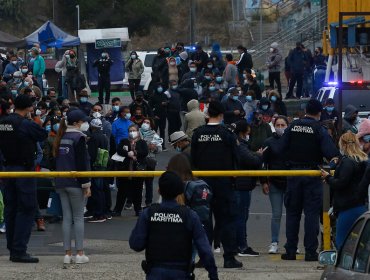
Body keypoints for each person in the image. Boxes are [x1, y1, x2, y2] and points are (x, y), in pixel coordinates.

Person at [277, 99, 339, 261]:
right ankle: (310, 252)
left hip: (294, 174)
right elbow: (331, 153)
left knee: (292, 214)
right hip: (312, 174)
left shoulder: (292, 126)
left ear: (305, 110)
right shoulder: (319, 129)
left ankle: (290, 250)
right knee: (311, 214)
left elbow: (280, 148)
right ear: (319, 113)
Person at [129, 171, 219, 280]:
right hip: (181, 273)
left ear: (159, 191)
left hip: (155, 273)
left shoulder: (148, 213)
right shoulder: (189, 215)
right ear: (180, 192)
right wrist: (213, 275)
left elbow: (136, 244)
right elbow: (205, 249)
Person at [191, 100, 243, 268]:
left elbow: (193, 160)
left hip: (202, 184)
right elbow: (237, 156)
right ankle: (229, 258)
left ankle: (205, 258)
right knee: (226, 221)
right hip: (224, 183)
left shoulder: (198, 133)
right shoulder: (227, 133)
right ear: (221, 115)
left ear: (208, 114)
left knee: (204, 222)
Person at [0, 94, 48, 263]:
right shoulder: (25, 124)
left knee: (11, 208)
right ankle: (19, 250)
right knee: (26, 208)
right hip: (24, 170)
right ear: (29, 107)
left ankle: (13, 248)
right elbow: (42, 135)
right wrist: (35, 117)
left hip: (7, 170)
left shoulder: (3, 122)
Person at [53, 109, 91, 264]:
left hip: (61, 182)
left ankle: (67, 254)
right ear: (76, 123)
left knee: (66, 218)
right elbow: (83, 162)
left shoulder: (61, 137)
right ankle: (80, 253)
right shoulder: (79, 138)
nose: (85, 124)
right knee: (78, 218)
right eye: (83, 121)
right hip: (76, 183)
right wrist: (86, 184)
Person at [321, 132, 368, 249]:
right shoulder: (363, 160)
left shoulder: (347, 162)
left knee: (341, 241)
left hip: (348, 206)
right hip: (361, 205)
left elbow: (341, 183)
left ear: (343, 144)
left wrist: (328, 177)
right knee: (361, 242)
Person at [233, 120, 263, 257]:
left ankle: (237, 244)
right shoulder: (240, 146)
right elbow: (253, 161)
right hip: (242, 185)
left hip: (241, 184)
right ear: (244, 131)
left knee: (240, 216)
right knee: (241, 216)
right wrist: (259, 155)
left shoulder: (240, 144)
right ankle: (241, 246)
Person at [261, 116, 289, 254]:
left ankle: (291, 243)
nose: (280, 127)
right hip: (275, 183)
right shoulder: (269, 142)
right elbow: (262, 163)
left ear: (287, 125)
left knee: (292, 214)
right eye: (277, 124)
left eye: (282, 124)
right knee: (276, 214)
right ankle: (274, 242)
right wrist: (264, 181)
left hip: (290, 182)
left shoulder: (292, 141)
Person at [112, 124, 148, 216]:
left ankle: (138, 210)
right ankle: (117, 210)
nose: (132, 132)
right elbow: (119, 150)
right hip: (125, 169)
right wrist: (127, 153)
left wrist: (135, 153)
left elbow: (145, 152)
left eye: (134, 130)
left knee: (137, 191)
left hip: (138, 170)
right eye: (130, 131)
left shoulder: (142, 142)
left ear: (137, 131)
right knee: (122, 191)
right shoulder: (124, 141)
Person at [86, 118, 109, 223]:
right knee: (101, 190)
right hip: (102, 165)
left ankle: (98, 214)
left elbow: (91, 154)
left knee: (96, 190)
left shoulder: (93, 138)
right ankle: (103, 212)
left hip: (95, 166)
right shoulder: (104, 137)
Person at [139, 118, 162, 207]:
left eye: (148, 122)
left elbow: (159, 149)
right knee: (138, 182)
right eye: (144, 122)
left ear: (151, 125)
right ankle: (136, 202)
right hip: (139, 161)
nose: (145, 123)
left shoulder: (154, 135)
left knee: (149, 183)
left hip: (149, 161)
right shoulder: (136, 132)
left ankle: (148, 202)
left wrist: (154, 148)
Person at [149, 83, 168, 150]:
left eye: (161, 87)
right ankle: (153, 146)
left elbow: (168, 104)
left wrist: (166, 103)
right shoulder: (153, 96)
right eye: (158, 87)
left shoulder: (164, 95)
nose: (160, 88)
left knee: (162, 131)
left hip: (163, 116)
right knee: (154, 131)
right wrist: (153, 116)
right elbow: (150, 107)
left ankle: (162, 145)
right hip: (155, 117)